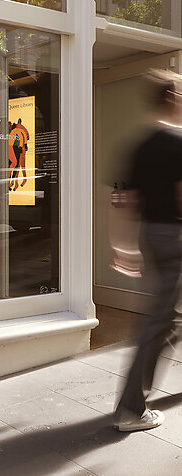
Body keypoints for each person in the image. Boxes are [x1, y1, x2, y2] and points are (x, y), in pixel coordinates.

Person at [113, 69, 182, 432]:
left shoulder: (140, 144)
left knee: (166, 315)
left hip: (151, 236)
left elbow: (127, 200)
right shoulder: (176, 141)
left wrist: (124, 246)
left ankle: (133, 405)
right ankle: (130, 410)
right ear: (171, 98)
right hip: (174, 236)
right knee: (160, 320)